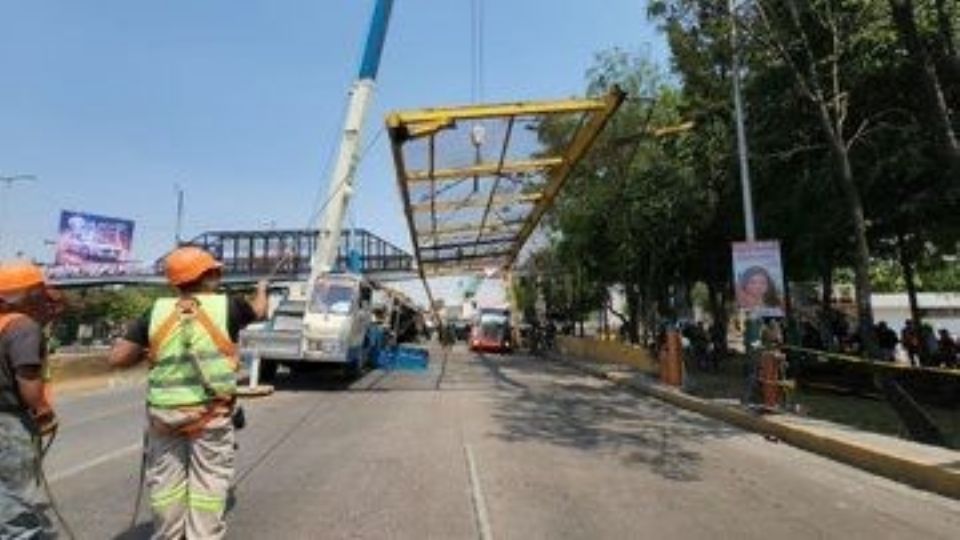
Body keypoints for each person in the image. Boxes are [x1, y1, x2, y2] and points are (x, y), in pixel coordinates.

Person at [109, 247, 267, 540]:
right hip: (210, 416)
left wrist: (152, 350)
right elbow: (260, 311)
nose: (219, 277)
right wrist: (261, 289)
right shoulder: (227, 306)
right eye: (215, 272)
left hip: (164, 417)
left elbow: (118, 358)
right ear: (207, 276)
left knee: (166, 488)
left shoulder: (155, 312)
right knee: (208, 486)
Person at [0, 262, 62, 538]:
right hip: (10, 421)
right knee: (15, 492)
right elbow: (27, 377)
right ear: (31, 293)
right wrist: (41, 409)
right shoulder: (23, 326)